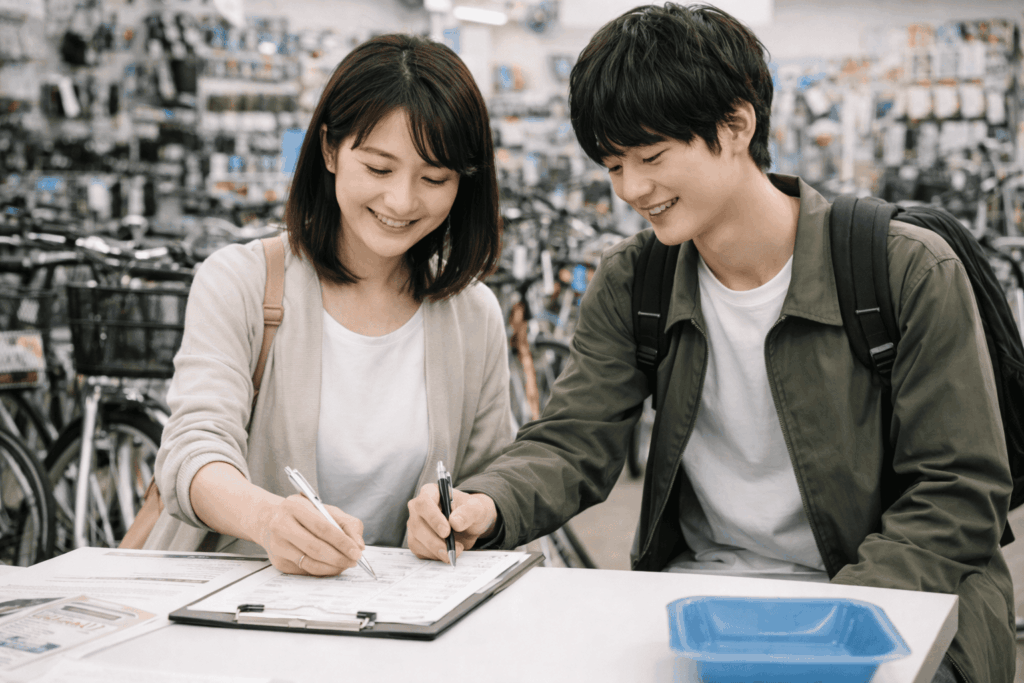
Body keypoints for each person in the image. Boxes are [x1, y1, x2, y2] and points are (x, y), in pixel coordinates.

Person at [406, 5, 1014, 682]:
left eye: (653, 156)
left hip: (881, 604)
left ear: (736, 125)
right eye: (613, 165)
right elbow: (573, 440)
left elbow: (958, 489)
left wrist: (834, 618)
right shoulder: (635, 280)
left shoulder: (903, 270)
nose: (633, 189)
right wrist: (485, 503)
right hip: (707, 609)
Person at [146, 33, 514, 578]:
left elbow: (492, 476)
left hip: (402, 628)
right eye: (380, 168)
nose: (402, 201)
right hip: (241, 617)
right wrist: (267, 519)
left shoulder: (472, 315)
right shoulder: (242, 281)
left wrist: (466, 513)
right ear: (329, 150)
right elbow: (192, 450)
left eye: (434, 178)